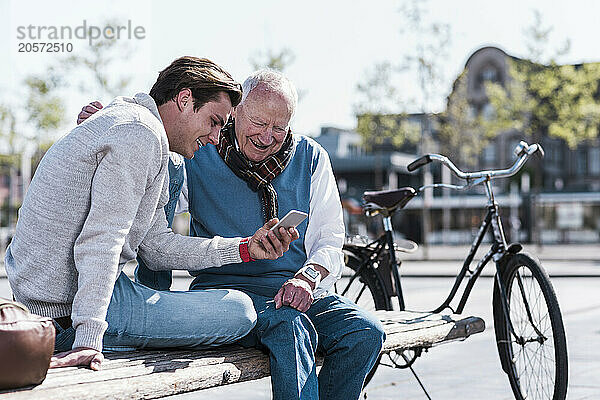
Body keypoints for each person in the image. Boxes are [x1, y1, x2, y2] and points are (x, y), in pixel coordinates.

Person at [5, 57, 297, 371]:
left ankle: (148, 301)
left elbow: (157, 249)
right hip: (69, 314)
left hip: (62, 299)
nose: (215, 137)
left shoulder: (136, 127)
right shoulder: (139, 134)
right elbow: (101, 240)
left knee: (174, 168)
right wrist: (88, 337)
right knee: (240, 311)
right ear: (185, 100)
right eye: (214, 121)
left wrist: (243, 249)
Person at [183, 69, 385, 400]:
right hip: (224, 295)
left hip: (292, 291)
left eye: (279, 127)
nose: (267, 136)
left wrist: (307, 278)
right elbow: (153, 204)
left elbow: (330, 242)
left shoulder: (311, 157)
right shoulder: (200, 149)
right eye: (259, 123)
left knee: (366, 333)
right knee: (290, 327)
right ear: (236, 110)